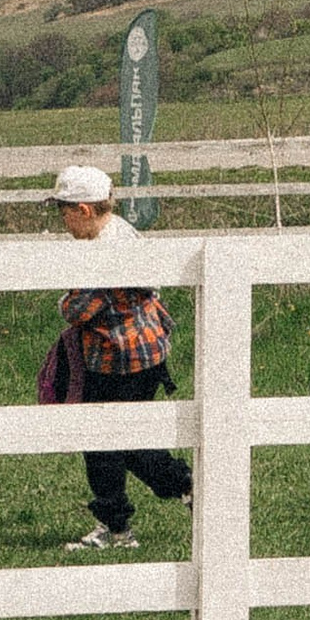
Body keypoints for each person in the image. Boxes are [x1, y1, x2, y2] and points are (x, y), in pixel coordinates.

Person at [49, 163, 193, 553]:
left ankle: (125, 522)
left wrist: (65, 299)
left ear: (83, 210)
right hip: (141, 354)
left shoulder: (106, 250)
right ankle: (177, 492)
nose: (61, 219)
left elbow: (76, 308)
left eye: (63, 210)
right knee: (121, 439)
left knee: (106, 441)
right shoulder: (121, 232)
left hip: (121, 359)